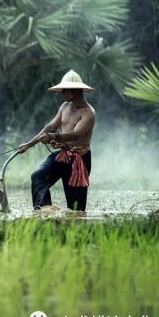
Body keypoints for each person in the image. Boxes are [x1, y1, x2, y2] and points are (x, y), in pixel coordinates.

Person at [17, 70, 96, 211]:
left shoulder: (88, 112)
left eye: (64, 90)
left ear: (74, 91)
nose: (62, 93)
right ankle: (45, 212)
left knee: (75, 207)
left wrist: (54, 137)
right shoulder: (65, 107)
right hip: (63, 155)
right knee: (38, 176)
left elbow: (77, 134)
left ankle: (75, 227)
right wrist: (29, 145)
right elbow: (50, 127)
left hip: (79, 160)